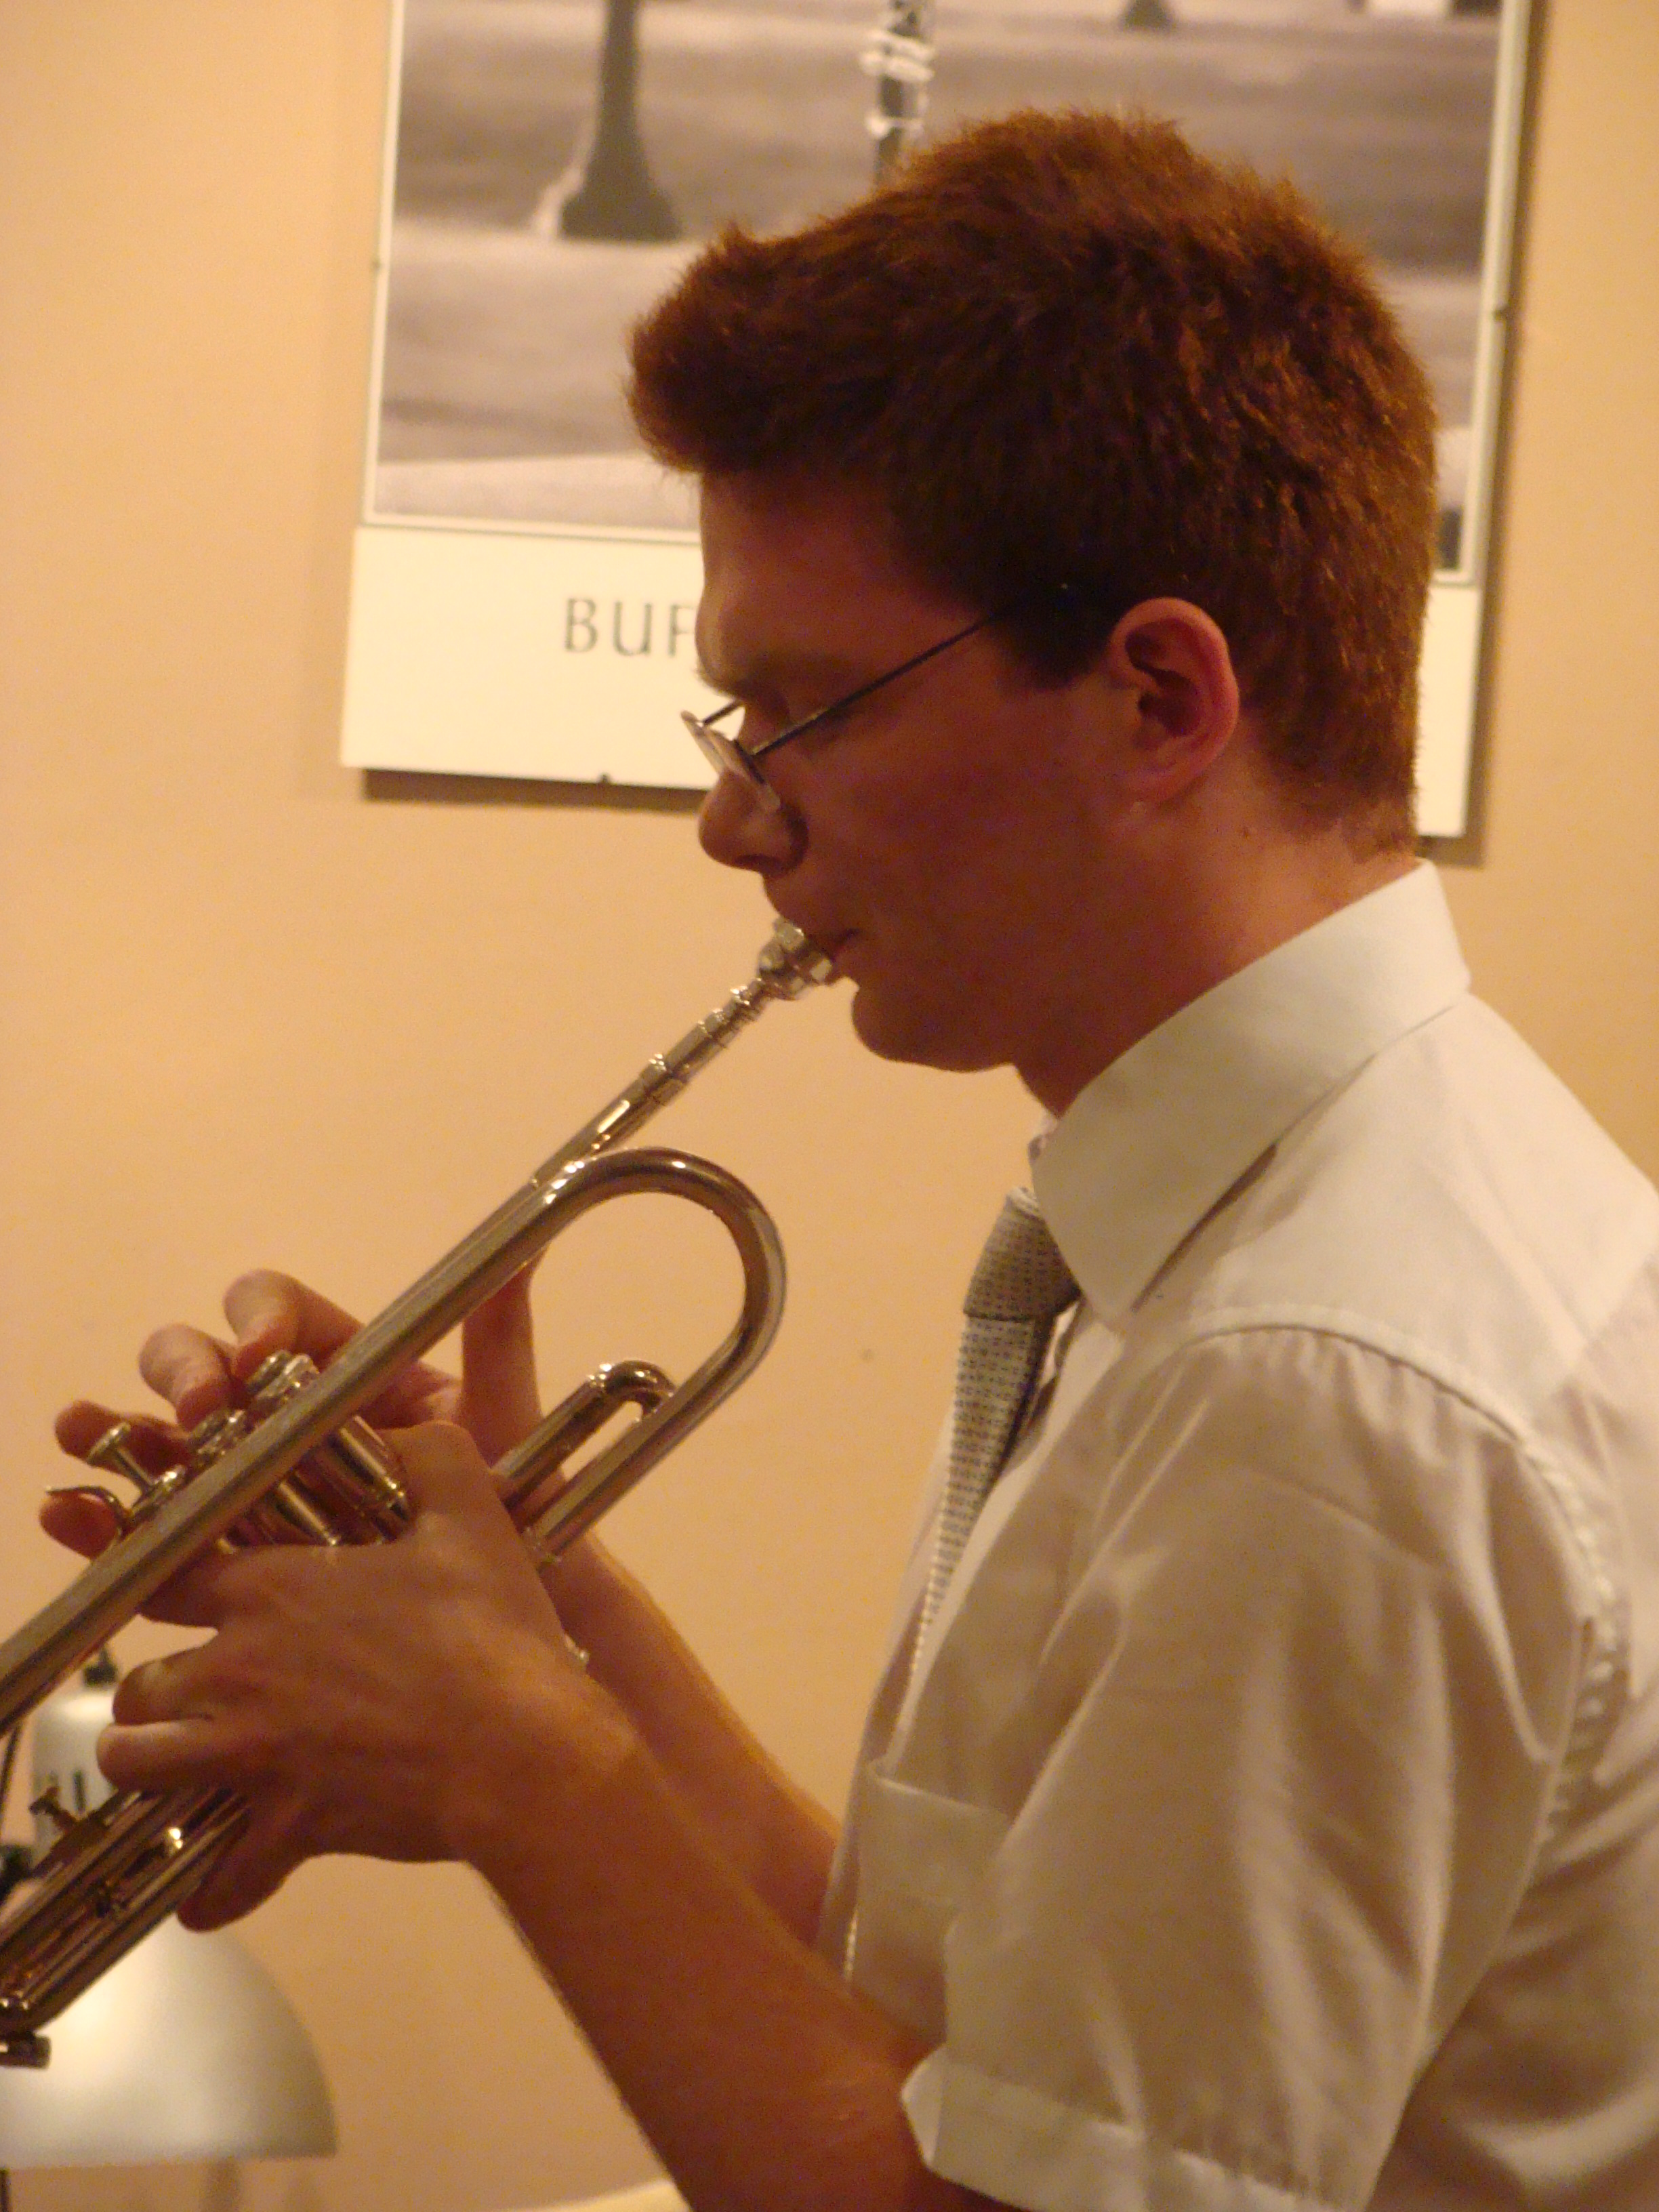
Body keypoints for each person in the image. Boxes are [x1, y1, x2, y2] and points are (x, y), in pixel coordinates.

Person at [47, 110, 1659, 2212]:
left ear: (1158, 699)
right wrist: (539, 1624)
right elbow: (972, 2059)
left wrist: (519, 1768)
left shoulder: (1326, 1384)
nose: (736, 821)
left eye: (803, 712)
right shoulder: (1297, 1233)